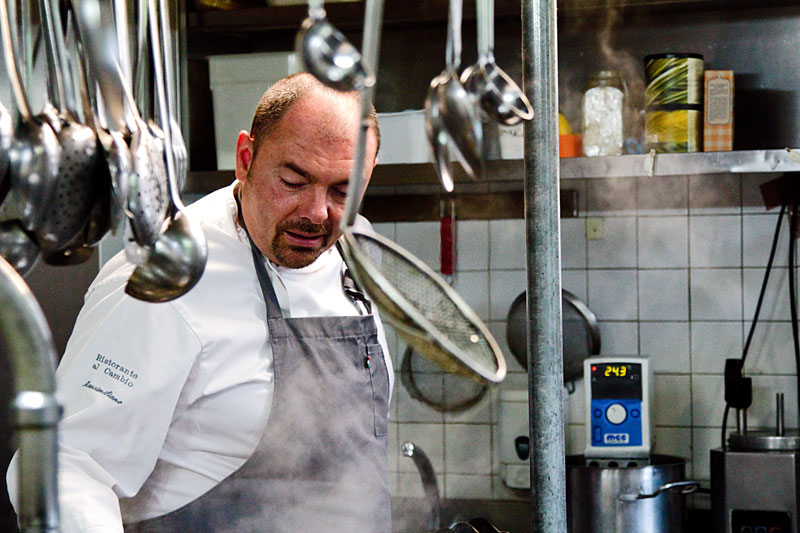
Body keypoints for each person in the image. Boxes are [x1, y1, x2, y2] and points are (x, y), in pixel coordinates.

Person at [6, 72, 394, 532]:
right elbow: (66, 467)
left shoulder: (355, 253)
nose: (316, 213)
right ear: (246, 159)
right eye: (293, 180)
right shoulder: (165, 278)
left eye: (343, 191)